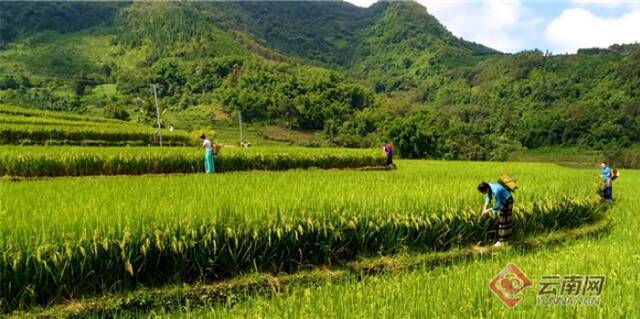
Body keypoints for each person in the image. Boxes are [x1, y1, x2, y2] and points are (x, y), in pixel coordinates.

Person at [478, 181, 514, 247]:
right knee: (503, 220)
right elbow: (489, 197)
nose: (483, 193)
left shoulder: (495, 190)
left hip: (508, 201)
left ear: (486, 189)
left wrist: (487, 211)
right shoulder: (489, 185)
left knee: (504, 220)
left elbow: (498, 205)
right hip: (504, 201)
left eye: (483, 192)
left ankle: (503, 241)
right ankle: (505, 240)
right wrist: (485, 207)